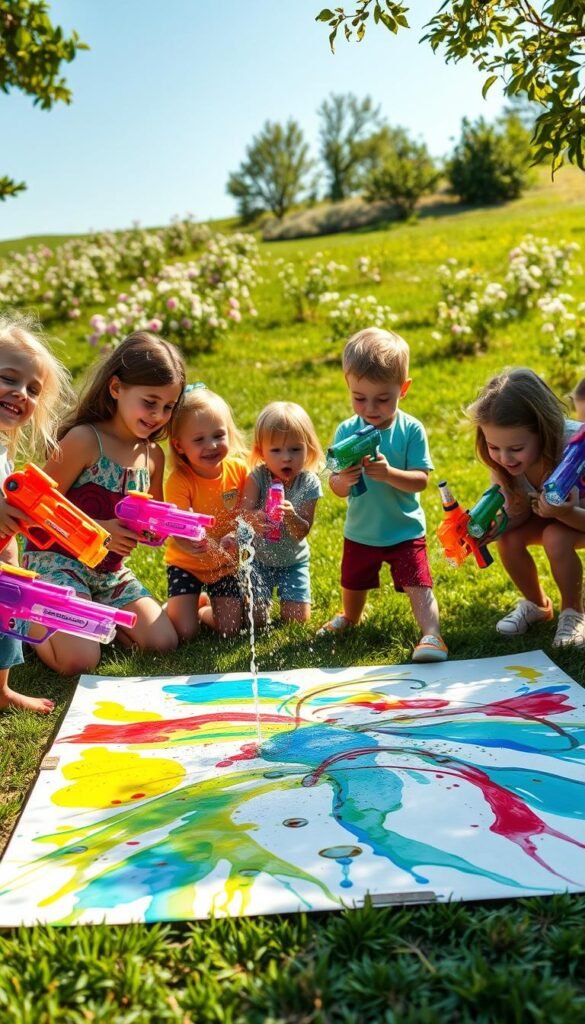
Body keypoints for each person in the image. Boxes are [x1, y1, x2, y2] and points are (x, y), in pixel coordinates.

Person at [22, 331, 184, 674]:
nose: (158, 415)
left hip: (108, 573)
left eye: (168, 407)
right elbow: (36, 507)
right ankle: (28, 609)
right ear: (116, 389)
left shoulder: (153, 455)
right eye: (150, 402)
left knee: (164, 643)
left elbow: (152, 519)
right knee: (80, 661)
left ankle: (87, 618)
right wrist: (97, 531)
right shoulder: (84, 440)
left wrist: (155, 531)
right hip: (57, 564)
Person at [318, 327, 447, 663]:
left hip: (404, 529)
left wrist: (390, 474)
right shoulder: (348, 431)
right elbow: (334, 485)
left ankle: (432, 635)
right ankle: (350, 617)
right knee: (353, 580)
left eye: (383, 398)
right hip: (362, 530)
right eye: (360, 398)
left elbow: (420, 481)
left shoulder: (411, 429)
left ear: (403, 390)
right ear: (348, 386)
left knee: (418, 582)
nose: (370, 408)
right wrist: (344, 480)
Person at [467, 367, 585, 646]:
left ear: (544, 431)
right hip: (549, 515)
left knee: (555, 537)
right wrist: (496, 527)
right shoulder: (504, 461)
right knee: (508, 538)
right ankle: (537, 605)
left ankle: (573, 611)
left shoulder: (576, 446)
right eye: (494, 446)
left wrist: (566, 513)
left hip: (578, 517)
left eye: (516, 448)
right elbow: (518, 509)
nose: (505, 458)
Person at [0, 315, 74, 712]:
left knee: (5, 626)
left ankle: (2, 691)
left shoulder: (3, 449)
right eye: (9, 379)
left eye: (32, 389)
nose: (20, 393)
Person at [165, 384, 247, 640]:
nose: (211, 445)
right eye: (199, 440)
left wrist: (237, 535)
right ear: (179, 446)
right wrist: (190, 538)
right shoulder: (180, 480)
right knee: (185, 633)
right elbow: (178, 528)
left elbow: (248, 513)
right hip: (186, 564)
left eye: (218, 435)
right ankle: (177, 609)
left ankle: (202, 611)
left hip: (224, 565)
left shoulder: (239, 472)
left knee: (231, 629)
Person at [240, 401, 323, 626]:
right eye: (276, 450)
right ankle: (210, 604)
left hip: (293, 562)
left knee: (296, 621)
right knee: (255, 620)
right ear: (261, 452)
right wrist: (255, 519)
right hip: (260, 561)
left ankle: (290, 601)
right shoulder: (258, 478)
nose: (286, 458)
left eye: (295, 449)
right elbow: (244, 514)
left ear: (309, 448)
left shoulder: (309, 483)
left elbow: (301, 532)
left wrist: (292, 517)